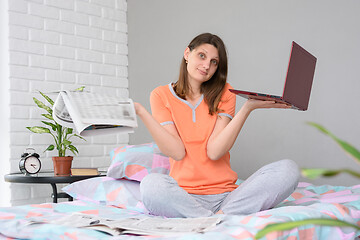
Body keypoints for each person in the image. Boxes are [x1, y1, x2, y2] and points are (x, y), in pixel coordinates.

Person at [134, 33, 300, 218]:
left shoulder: (225, 93)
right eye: (202, 56)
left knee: (288, 169)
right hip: (184, 198)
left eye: (214, 62)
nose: (207, 66)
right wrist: (141, 112)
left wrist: (247, 109)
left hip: (227, 198)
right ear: (187, 53)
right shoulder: (160, 95)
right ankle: (215, 219)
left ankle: (212, 218)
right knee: (151, 185)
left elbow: (214, 151)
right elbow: (177, 152)